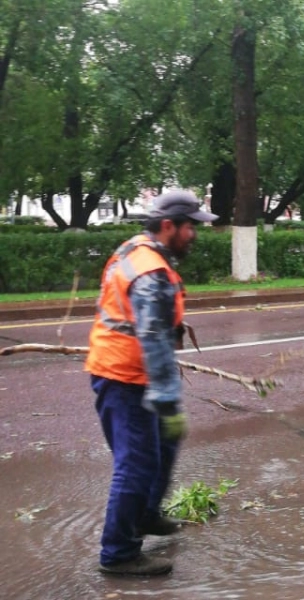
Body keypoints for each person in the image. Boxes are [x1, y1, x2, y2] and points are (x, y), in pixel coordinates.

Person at [85, 190, 218, 575]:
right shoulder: (152, 273)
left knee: (164, 445)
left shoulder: (136, 249)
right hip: (126, 378)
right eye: (190, 225)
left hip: (123, 368)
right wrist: (166, 398)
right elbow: (154, 341)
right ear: (167, 226)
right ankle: (118, 554)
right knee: (137, 465)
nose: (194, 233)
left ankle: (145, 515)